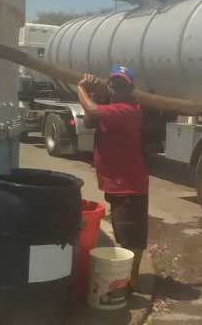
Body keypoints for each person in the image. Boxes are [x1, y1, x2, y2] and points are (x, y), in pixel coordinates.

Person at [77, 66, 148, 293]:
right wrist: (95, 94)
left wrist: (81, 88)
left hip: (129, 186)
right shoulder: (110, 107)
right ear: (109, 86)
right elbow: (89, 122)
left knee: (130, 237)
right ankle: (128, 278)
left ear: (130, 89)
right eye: (114, 83)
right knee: (124, 233)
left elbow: (92, 110)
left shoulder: (128, 110)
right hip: (117, 183)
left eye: (122, 84)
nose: (117, 88)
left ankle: (130, 281)